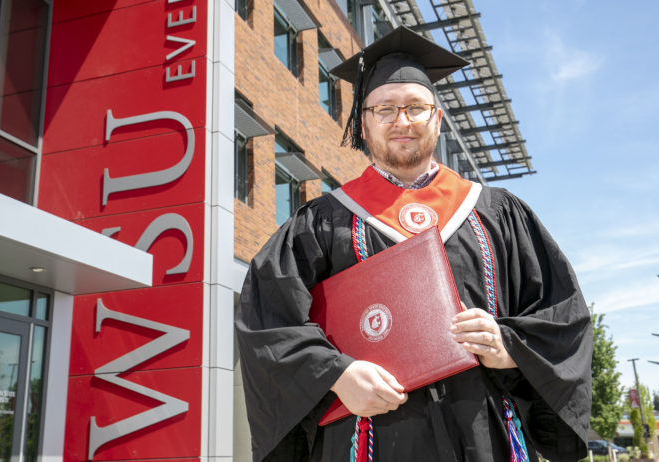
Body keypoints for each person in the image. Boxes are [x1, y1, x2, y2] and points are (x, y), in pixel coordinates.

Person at [235, 26, 591, 462]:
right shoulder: (322, 221)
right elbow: (267, 317)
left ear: (437, 119)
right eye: (385, 108)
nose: (401, 120)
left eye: (416, 108)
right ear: (363, 124)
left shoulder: (498, 213)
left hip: (483, 435)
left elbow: (563, 317)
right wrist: (337, 375)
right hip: (365, 437)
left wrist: (510, 346)